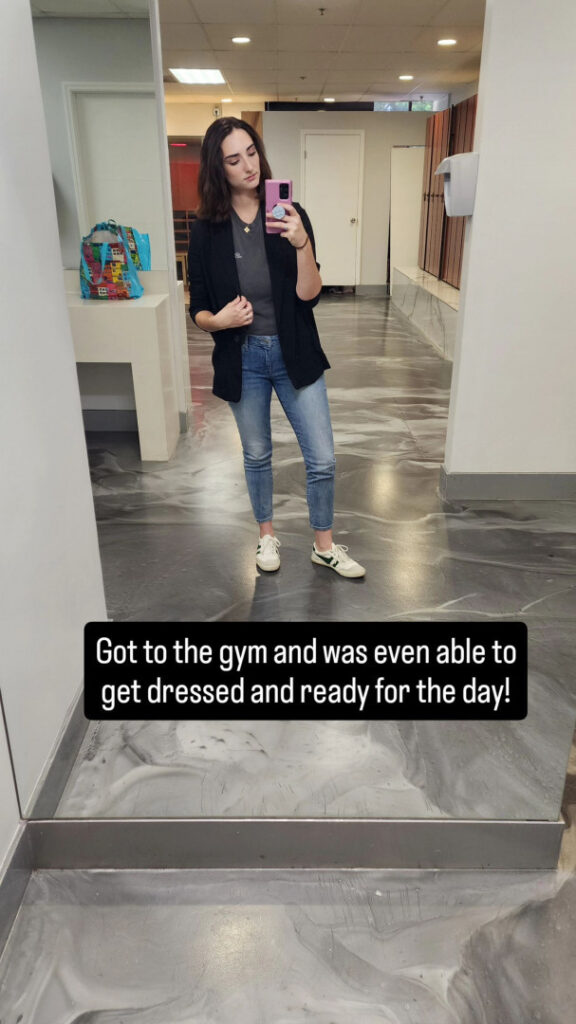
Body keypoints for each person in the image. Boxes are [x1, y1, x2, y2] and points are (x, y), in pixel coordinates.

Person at [187, 117, 365, 579]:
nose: (248, 165)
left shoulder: (290, 213)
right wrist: (219, 321)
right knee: (257, 454)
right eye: (234, 159)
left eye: (251, 152)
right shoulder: (206, 229)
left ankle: (324, 546)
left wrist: (302, 243)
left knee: (322, 457)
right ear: (218, 168)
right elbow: (198, 307)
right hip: (242, 356)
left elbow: (310, 294)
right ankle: (266, 534)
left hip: (294, 351)